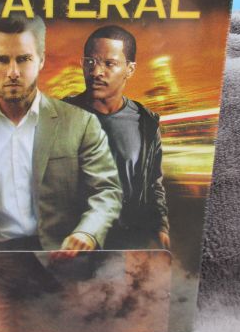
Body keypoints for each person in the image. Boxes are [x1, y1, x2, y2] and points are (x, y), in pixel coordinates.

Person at [0, 14, 121, 254]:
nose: (13, 72)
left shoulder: (81, 123)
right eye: (0, 59)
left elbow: (106, 191)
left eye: (24, 59)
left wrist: (88, 232)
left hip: (61, 258)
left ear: (41, 60)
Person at [65, 25, 170, 250]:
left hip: (129, 242)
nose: (96, 72)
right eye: (90, 62)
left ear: (130, 69)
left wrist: (160, 226)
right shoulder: (60, 116)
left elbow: (153, 183)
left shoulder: (146, 122)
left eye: (109, 63)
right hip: (74, 242)